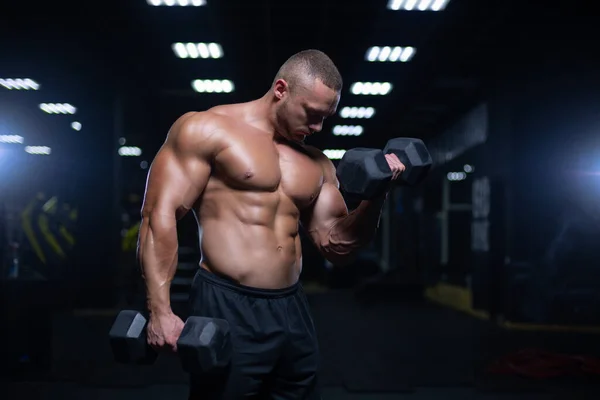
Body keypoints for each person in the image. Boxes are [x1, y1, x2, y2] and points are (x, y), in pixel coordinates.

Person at [137, 49, 405, 399]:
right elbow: (159, 214)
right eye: (311, 114)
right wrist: (160, 310)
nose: (317, 128)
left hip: (292, 307)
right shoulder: (206, 129)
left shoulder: (318, 163)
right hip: (227, 301)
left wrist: (377, 194)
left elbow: (337, 246)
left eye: (325, 118)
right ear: (281, 89)